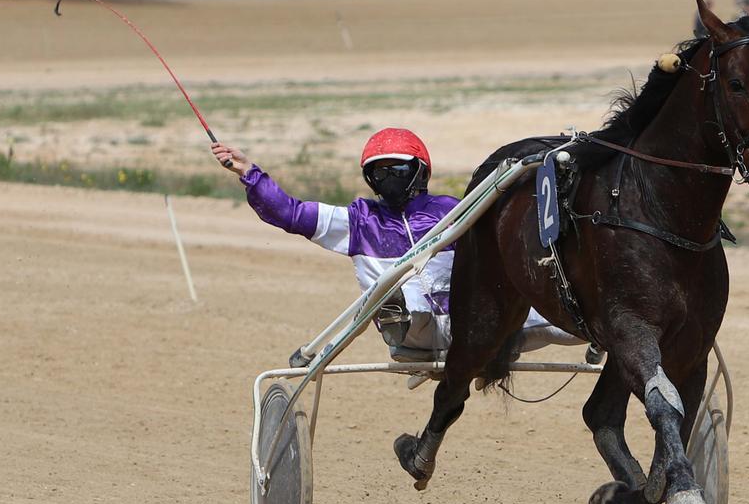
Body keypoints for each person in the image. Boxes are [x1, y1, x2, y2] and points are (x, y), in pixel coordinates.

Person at [212, 128, 581, 362]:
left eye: (397, 170)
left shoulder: (454, 211)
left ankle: (597, 330)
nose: (388, 179)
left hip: (471, 326)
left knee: (557, 315)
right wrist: (250, 173)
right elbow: (289, 213)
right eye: (379, 172)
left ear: (420, 171)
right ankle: (392, 306)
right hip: (412, 332)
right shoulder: (357, 221)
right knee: (404, 302)